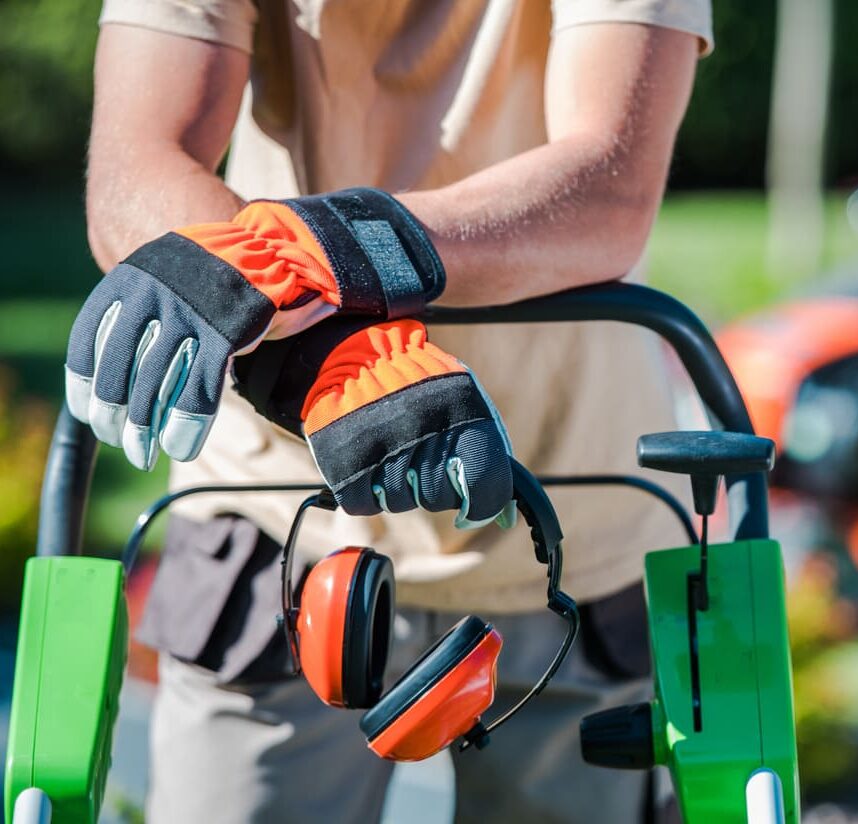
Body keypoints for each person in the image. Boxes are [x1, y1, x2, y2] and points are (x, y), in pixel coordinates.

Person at [72, 0, 711, 821]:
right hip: (280, 523)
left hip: (571, 526)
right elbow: (136, 166)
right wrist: (331, 361)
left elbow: (607, 187)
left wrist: (320, 253)